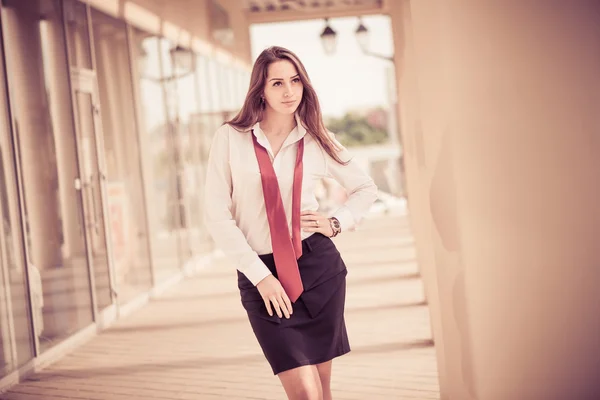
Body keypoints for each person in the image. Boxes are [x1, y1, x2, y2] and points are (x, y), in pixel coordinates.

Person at [203, 46, 378, 400]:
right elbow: (216, 214)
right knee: (305, 393)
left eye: (295, 81)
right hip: (262, 276)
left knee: (322, 391)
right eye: (277, 83)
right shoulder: (231, 138)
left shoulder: (316, 140)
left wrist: (336, 223)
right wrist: (261, 277)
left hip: (317, 269)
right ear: (261, 90)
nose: (288, 91)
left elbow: (365, 188)